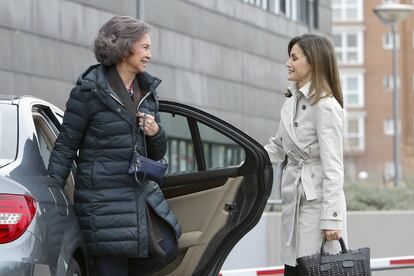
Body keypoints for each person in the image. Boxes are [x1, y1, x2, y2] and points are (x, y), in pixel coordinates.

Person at [47, 16, 181, 276]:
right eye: (145, 47)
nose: (150, 55)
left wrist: (155, 132)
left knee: (170, 246)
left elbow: (158, 151)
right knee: (112, 267)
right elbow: (65, 146)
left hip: (139, 195)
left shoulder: (146, 92)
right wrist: (52, 193)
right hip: (102, 202)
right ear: (124, 47)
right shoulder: (90, 91)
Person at [264, 34, 347, 275]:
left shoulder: (325, 106)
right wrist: (248, 162)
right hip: (295, 198)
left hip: (317, 205)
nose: (288, 63)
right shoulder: (291, 100)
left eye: (294, 57)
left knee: (311, 268)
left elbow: (334, 166)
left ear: (312, 62)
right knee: (294, 267)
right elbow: (279, 146)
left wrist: (332, 218)